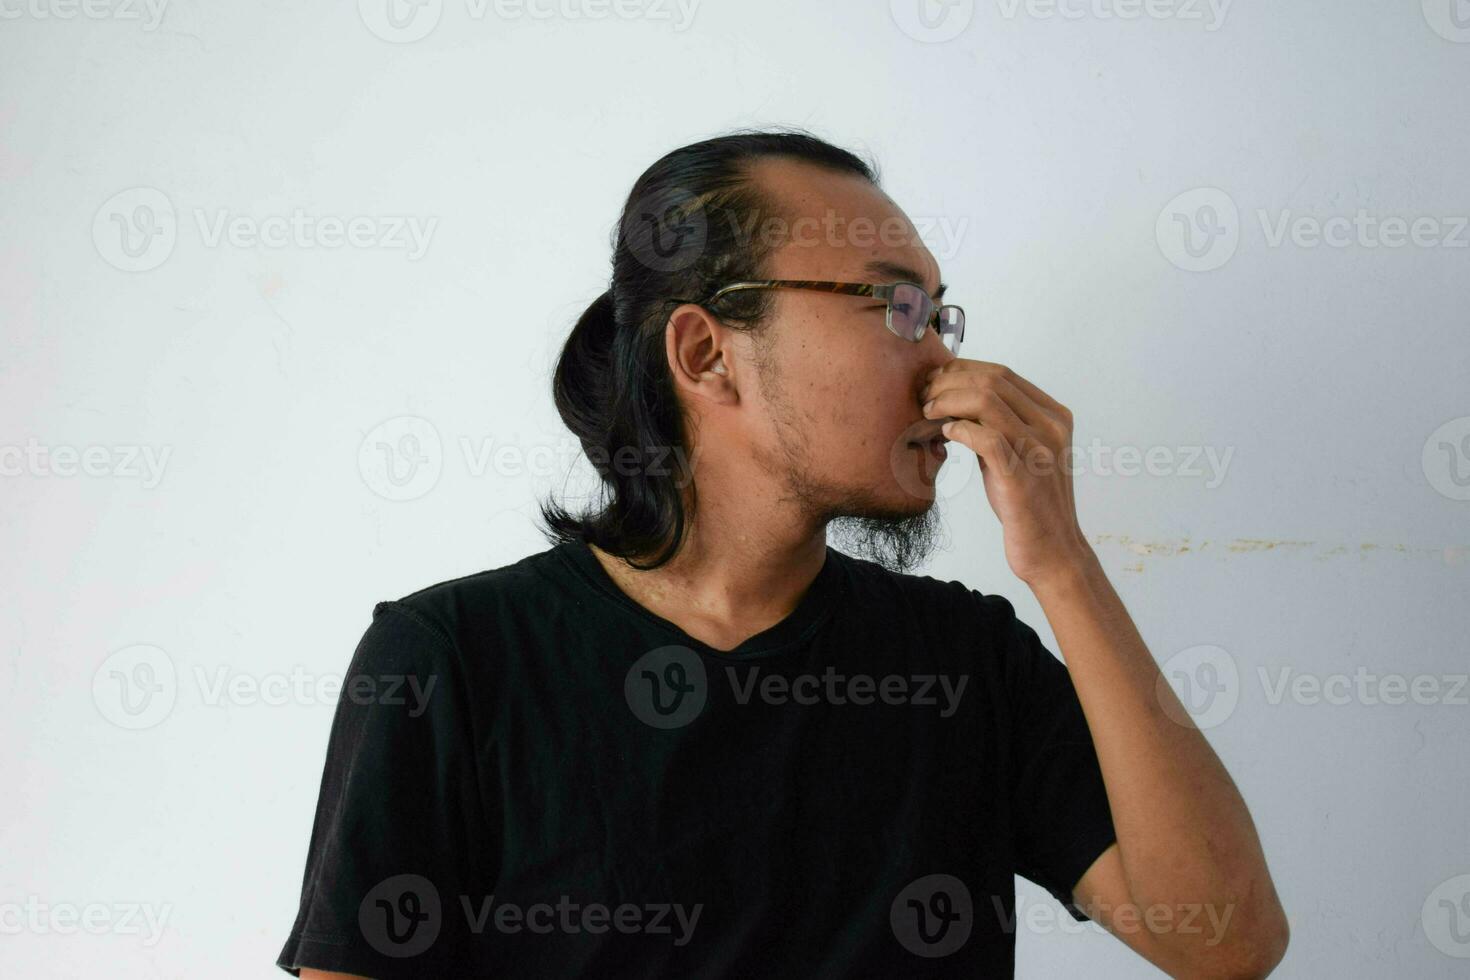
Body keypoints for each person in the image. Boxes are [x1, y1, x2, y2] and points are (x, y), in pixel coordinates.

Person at [276, 128, 1289, 978]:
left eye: (941, 313)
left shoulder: (963, 661)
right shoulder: (454, 657)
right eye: (895, 307)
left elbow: (1229, 938)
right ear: (708, 353)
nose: (942, 355)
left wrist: (1062, 559)